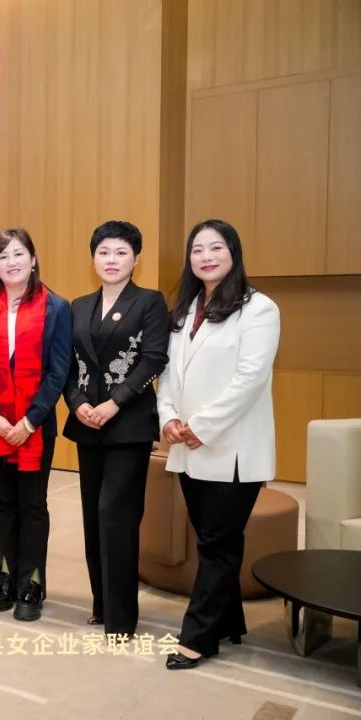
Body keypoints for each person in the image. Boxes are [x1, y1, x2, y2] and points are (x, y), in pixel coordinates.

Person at [158, 219, 279, 670]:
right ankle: (229, 621)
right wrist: (169, 416)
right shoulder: (185, 309)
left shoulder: (259, 308)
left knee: (217, 543)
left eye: (216, 248)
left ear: (233, 253)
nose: (206, 256)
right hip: (188, 446)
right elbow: (168, 372)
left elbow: (250, 379)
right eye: (197, 249)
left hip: (233, 449)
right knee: (212, 539)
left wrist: (200, 426)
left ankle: (198, 637)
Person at [62, 220, 168, 637]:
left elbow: (154, 358)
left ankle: (122, 618)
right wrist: (77, 403)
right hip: (87, 423)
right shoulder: (79, 305)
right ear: (93, 258)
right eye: (103, 252)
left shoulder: (149, 302)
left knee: (116, 514)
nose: (111, 260)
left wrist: (114, 402)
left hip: (129, 424)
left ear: (135, 259)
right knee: (93, 514)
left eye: (121, 252)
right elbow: (66, 364)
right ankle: (101, 605)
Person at [0, 227, 70, 622]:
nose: (12, 262)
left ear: (33, 259)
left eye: (19, 253)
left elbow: (58, 371)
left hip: (34, 424)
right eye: (3, 256)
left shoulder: (56, 307)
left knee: (32, 504)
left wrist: (29, 420)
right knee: (5, 503)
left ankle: (32, 582)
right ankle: (5, 576)